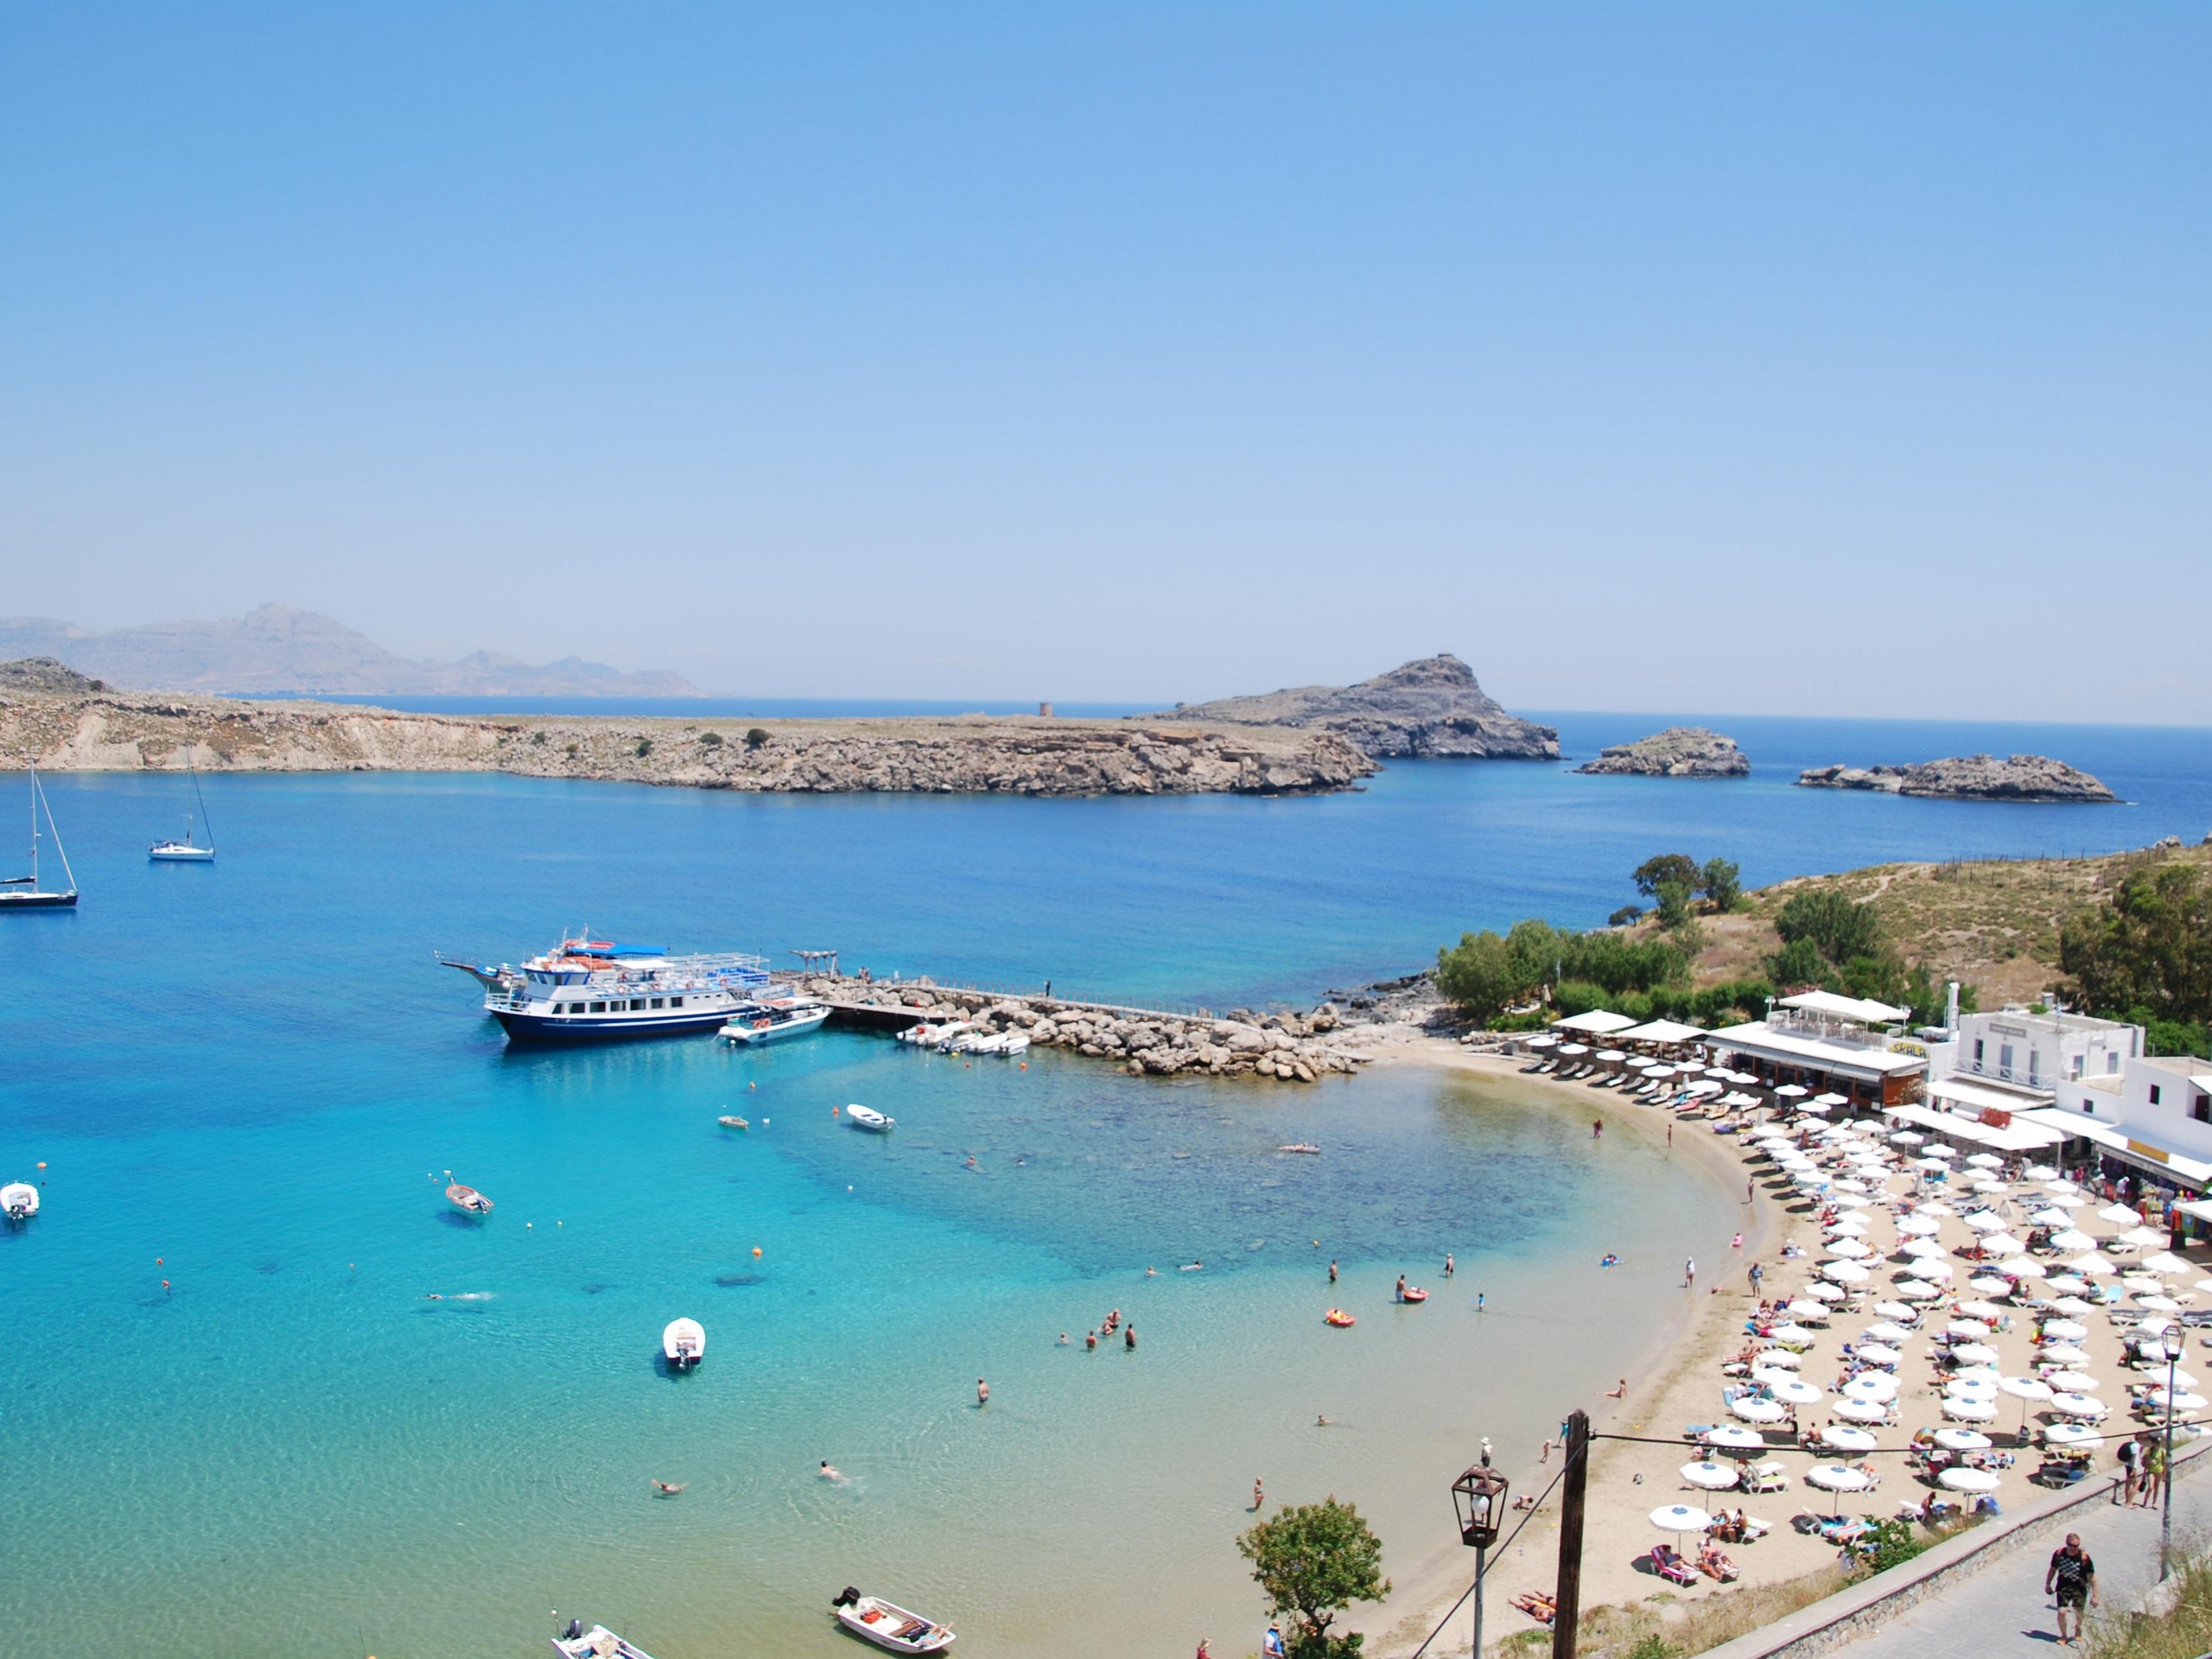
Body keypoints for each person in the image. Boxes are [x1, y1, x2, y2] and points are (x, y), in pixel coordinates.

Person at [2046, 1533, 2096, 1644]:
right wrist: (2048, 1585)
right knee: (2062, 1612)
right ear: (2067, 1544)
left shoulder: (2084, 1558)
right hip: (2063, 1588)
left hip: (2080, 1588)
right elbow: (2053, 1569)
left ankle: (2078, 1629)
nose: (2074, 1548)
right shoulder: (2059, 1554)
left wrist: (2095, 1596)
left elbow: (2092, 1577)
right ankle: (2064, 1636)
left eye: (2076, 1546)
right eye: (2072, 1545)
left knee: (2078, 1612)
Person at [2115, 1434, 2142, 1504]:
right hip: (2131, 1467)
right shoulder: (2137, 1446)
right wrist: (2134, 1469)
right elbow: (2134, 1458)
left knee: (2128, 1484)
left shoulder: (2132, 1444)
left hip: (2127, 1465)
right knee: (2136, 1485)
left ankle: (2127, 1500)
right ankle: (2129, 1502)